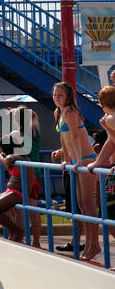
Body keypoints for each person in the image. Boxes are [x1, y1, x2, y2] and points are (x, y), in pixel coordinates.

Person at [51, 81, 100, 261]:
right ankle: (90, 244)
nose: (57, 97)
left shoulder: (71, 111)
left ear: (68, 96)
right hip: (76, 161)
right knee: (82, 206)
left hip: (85, 159)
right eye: (55, 94)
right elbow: (64, 138)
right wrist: (65, 158)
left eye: (60, 95)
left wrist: (78, 160)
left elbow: (76, 136)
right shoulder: (59, 112)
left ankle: (94, 244)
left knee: (88, 205)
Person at [0, 142, 40, 245]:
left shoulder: (13, 157)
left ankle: (17, 231)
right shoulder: (16, 158)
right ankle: (14, 230)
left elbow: (4, 161)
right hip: (10, 190)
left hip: (18, 193)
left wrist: (0, 155)